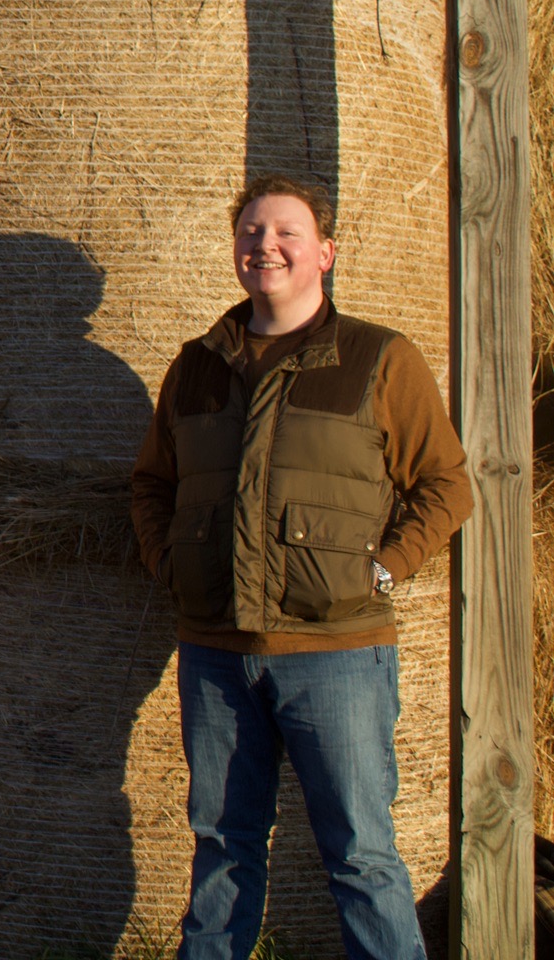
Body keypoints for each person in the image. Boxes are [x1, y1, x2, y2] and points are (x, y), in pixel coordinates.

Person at [130, 172, 472, 960]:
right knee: (221, 847)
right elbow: (151, 482)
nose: (265, 246)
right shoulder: (196, 366)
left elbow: (446, 484)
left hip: (338, 655)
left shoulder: (377, 360)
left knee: (359, 854)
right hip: (215, 653)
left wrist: (381, 570)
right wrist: (168, 564)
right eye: (250, 232)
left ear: (324, 250)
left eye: (285, 231)